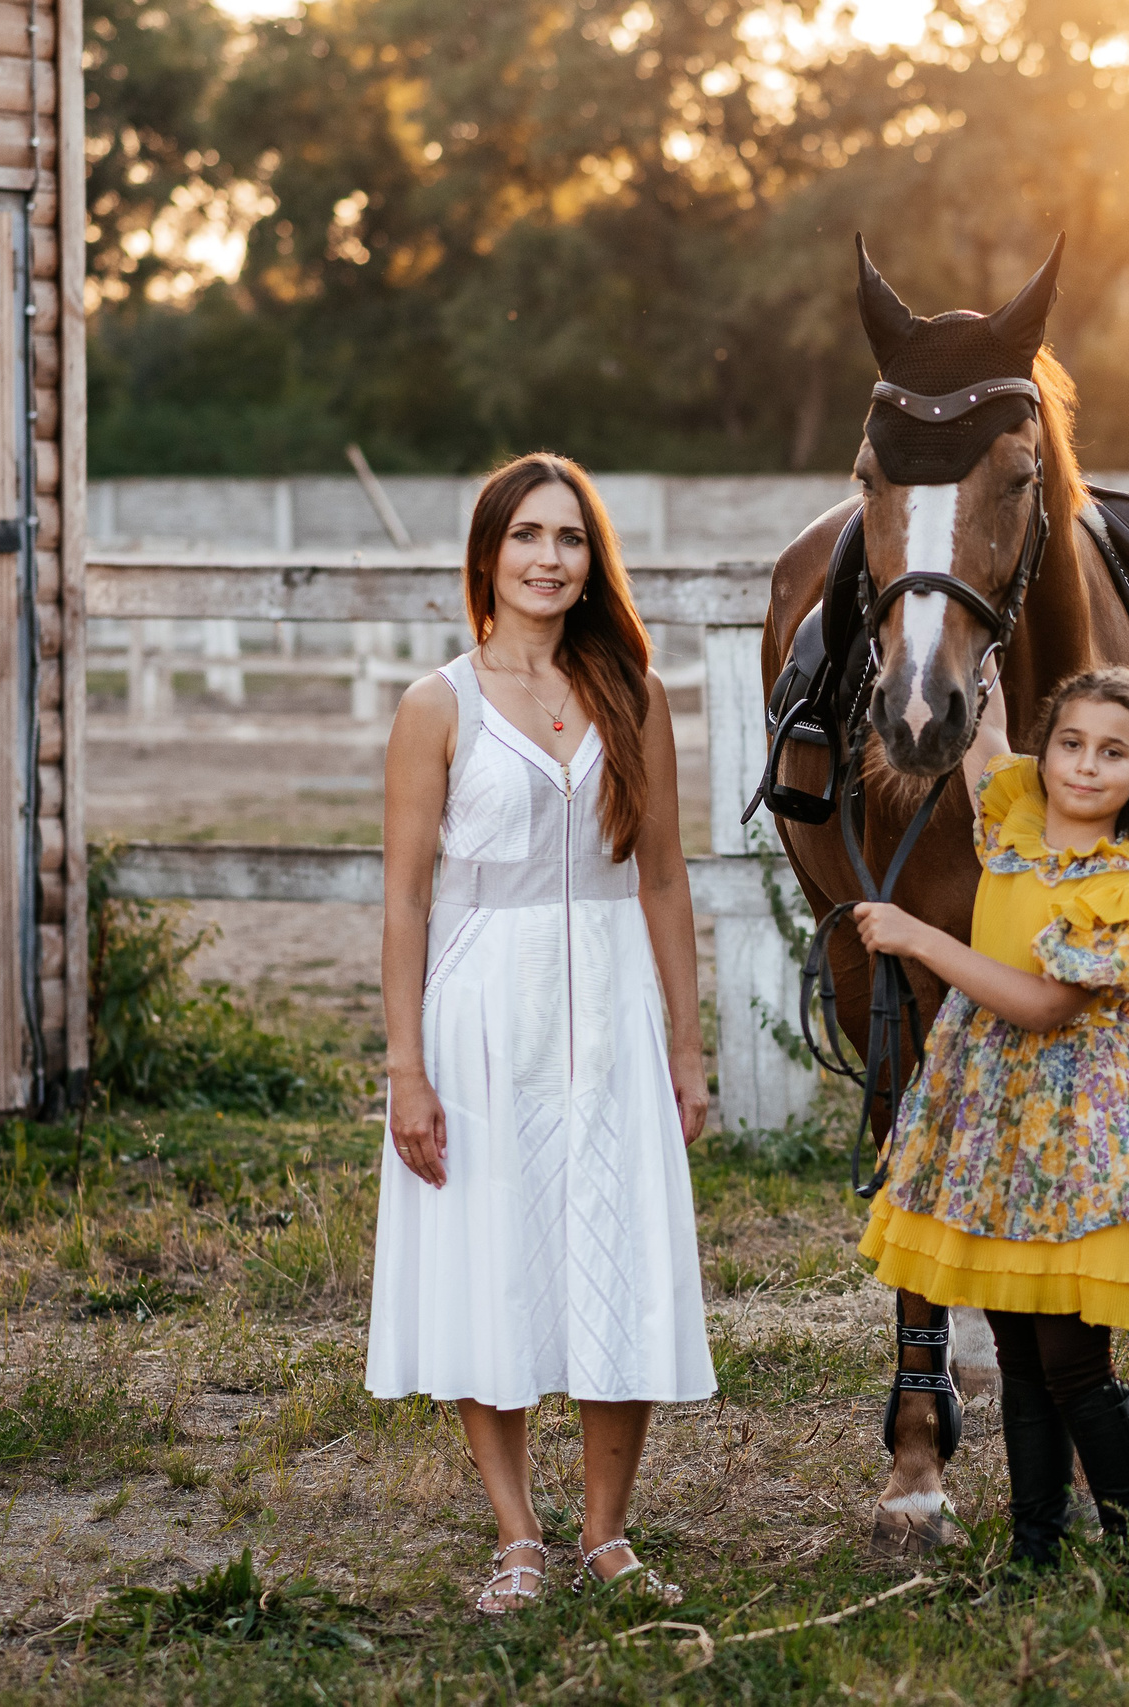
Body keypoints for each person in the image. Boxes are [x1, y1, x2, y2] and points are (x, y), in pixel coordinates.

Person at [365, 452, 715, 1615]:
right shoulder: (439, 704)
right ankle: (519, 1534)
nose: (550, 559)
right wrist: (405, 1068)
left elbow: (662, 878)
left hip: (611, 1006)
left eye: (570, 539)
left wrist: (686, 1044)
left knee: (621, 1253)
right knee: (495, 1262)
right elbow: (407, 896)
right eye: (527, 536)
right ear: (488, 554)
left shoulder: (636, 695)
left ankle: (609, 1533)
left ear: (591, 560)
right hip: (480, 1015)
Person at [851, 665, 1129, 1566]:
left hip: (1074, 1143)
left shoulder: (1123, 886)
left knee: (1075, 1365)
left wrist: (920, 937)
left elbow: (1045, 1005)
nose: (1086, 767)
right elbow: (982, 739)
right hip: (997, 1136)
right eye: (1071, 744)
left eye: (1113, 753)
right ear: (1045, 753)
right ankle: (1034, 1546)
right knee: (1017, 1359)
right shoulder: (1014, 821)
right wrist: (966, 668)